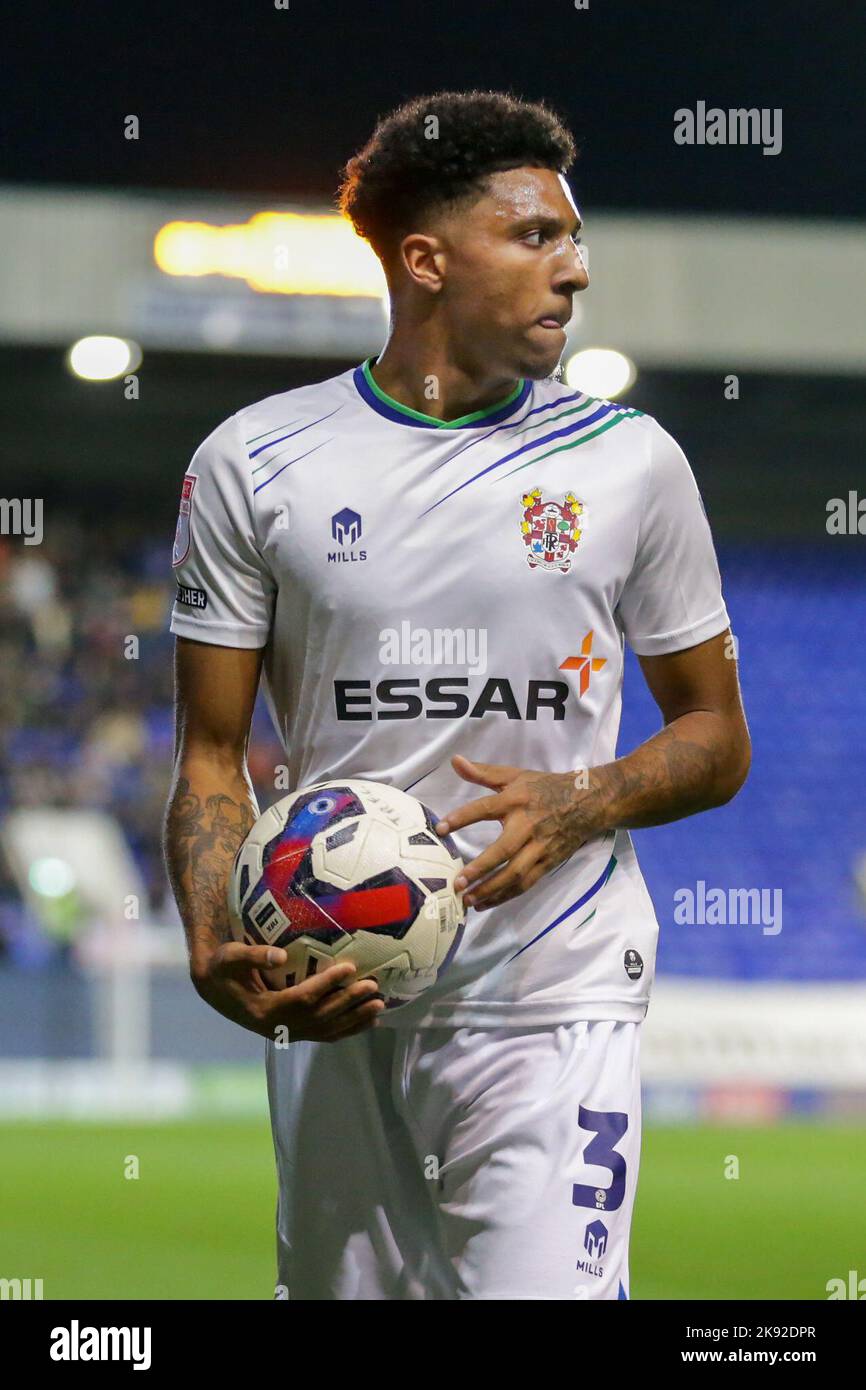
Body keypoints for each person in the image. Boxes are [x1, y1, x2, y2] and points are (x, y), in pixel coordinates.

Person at [164, 89, 750, 1300]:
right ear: (425, 260)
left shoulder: (630, 462)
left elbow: (715, 737)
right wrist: (214, 939)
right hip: (334, 991)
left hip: (552, 987)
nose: (575, 269)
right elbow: (211, 756)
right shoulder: (254, 461)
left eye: (572, 237)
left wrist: (584, 796)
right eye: (537, 236)